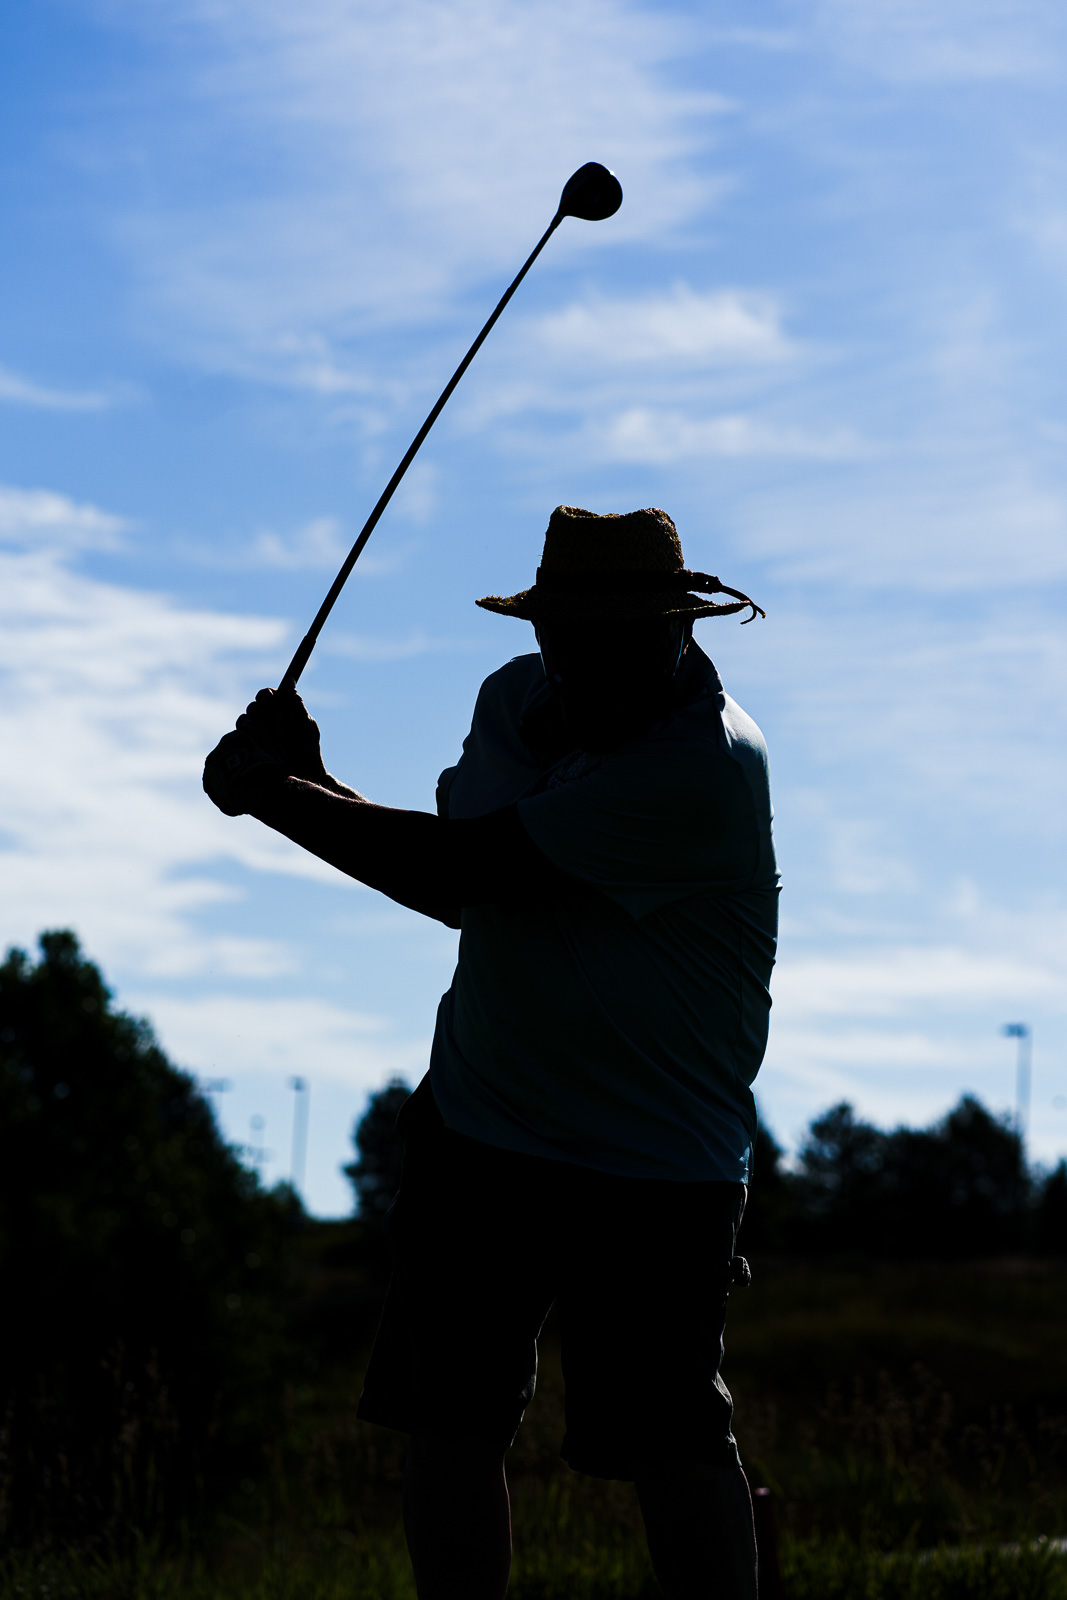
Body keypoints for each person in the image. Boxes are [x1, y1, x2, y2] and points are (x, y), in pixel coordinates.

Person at [204, 504, 779, 1600]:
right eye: (563, 632)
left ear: (675, 630)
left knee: (670, 1438)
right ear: (542, 628)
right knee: (448, 1416)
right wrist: (314, 782)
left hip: (656, 1157)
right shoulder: (514, 697)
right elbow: (473, 884)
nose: (582, 658)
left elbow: (465, 873)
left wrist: (275, 794)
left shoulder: (701, 765)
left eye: (614, 636)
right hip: (484, 1117)